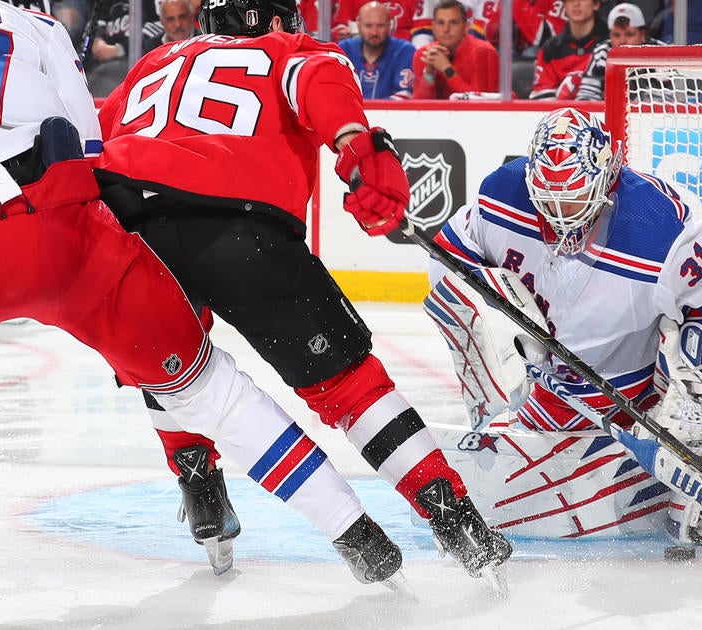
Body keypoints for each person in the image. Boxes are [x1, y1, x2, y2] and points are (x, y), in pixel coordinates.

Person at [0, 0, 404, 586]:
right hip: (64, 236)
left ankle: (201, 484)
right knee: (201, 385)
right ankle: (357, 535)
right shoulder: (30, 21)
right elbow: (87, 144)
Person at [93, 0, 513, 581]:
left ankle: (199, 486)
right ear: (268, 21)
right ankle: (451, 516)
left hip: (131, 233)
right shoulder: (286, 49)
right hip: (242, 232)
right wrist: (357, 147)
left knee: (170, 370)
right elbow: (318, 81)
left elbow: (92, 140)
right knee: (348, 384)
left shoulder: (154, 62)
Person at [423, 107, 702, 545]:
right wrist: (506, 318)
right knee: (507, 500)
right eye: (549, 199)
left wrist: (693, 387)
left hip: (635, 383)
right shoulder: (503, 194)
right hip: (552, 383)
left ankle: (693, 463)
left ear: (605, 180)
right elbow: (447, 260)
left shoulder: (658, 226)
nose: (561, 214)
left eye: (574, 198)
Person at [574, 2, 666, 101]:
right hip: (611, 114)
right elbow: (586, 96)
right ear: (610, 35)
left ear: (643, 35)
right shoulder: (603, 52)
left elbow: (664, 100)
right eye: (616, 35)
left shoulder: (660, 53)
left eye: (629, 34)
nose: (622, 41)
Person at [412, 0, 500, 99]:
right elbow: (419, 107)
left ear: (466, 27)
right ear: (433, 27)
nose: (446, 29)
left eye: (453, 23)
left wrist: (447, 69)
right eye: (440, 23)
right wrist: (429, 73)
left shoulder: (483, 52)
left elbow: (479, 105)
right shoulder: (424, 54)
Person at [528, 0, 610, 99]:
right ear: (564, 7)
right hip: (561, 112)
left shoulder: (611, 43)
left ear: (596, 4)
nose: (576, 4)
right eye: (570, 0)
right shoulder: (551, 48)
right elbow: (541, 95)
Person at [339, 1, 417, 99]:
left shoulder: (405, 51)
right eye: (368, 26)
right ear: (359, 26)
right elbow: (334, 91)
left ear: (390, 26)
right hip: (350, 113)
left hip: (390, 114)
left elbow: (404, 95)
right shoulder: (345, 49)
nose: (374, 32)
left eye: (380, 26)